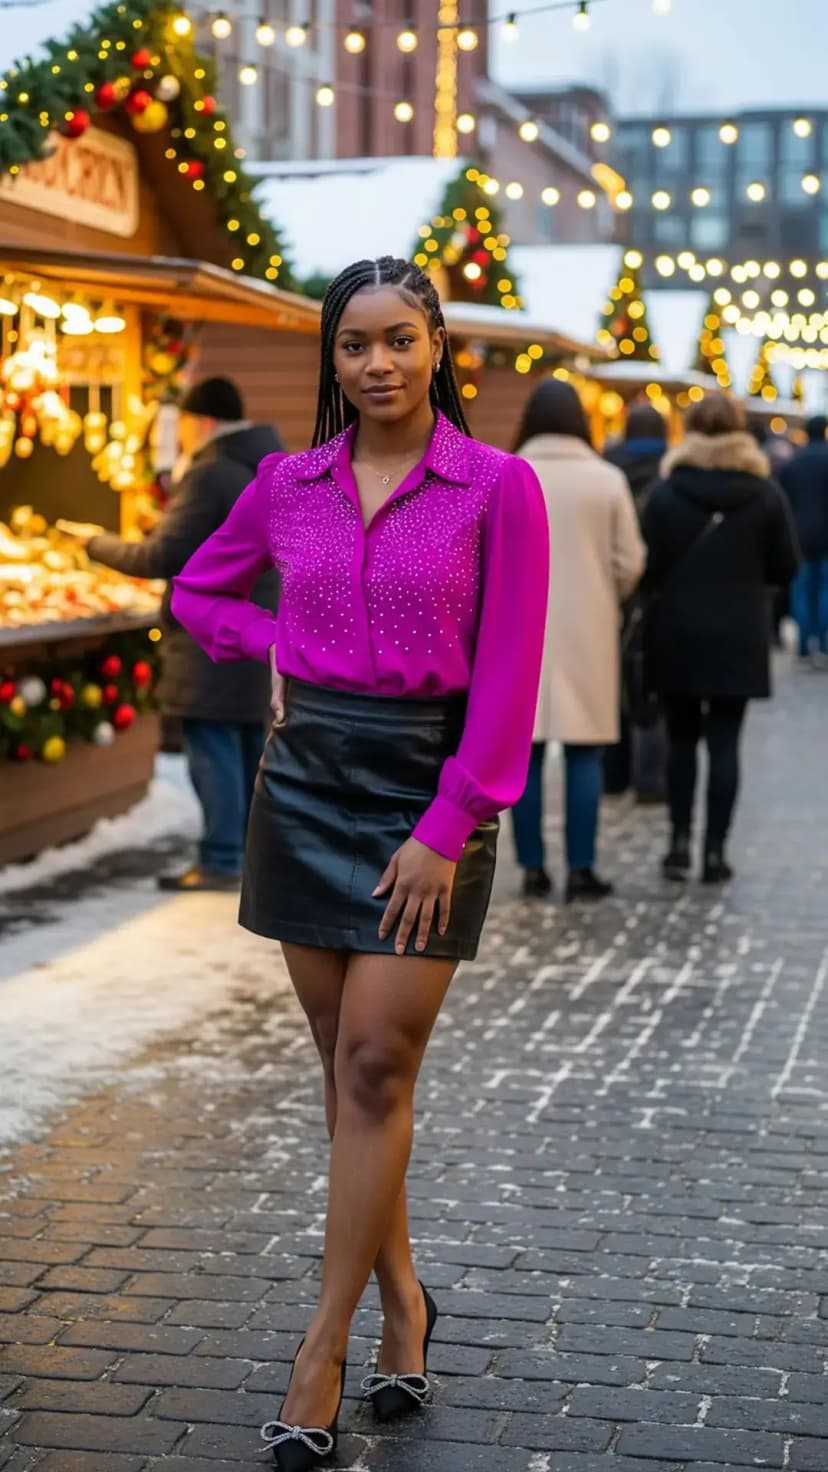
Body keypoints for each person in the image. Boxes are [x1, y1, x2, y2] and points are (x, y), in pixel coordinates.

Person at [169, 257, 548, 1470]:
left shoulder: (499, 488)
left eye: (398, 340)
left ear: (439, 346)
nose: (375, 363)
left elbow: (511, 668)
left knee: (379, 1059)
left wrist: (448, 824)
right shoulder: (287, 483)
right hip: (307, 781)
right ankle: (405, 1302)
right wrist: (272, 636)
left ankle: (319, 1345)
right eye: (353, 345)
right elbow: (197, 590)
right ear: (331, 359)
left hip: (430, 786)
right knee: (349, 1071)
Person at [57, 377, 283, 891]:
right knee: (245, 746)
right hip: (257, 630)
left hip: (212, 638)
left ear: (199, 421)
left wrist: (95, 545)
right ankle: (248, 857)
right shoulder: (264, 465)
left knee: (213, 746)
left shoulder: (211, 474)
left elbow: (164, 554)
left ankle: (222, 858)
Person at [642, 393, 799, 884]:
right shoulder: (764, 493)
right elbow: (785, 566)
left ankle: (679, 842)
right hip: (739, 632)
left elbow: (649, 565)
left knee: (682, 739)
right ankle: (715, 852)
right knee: (726, 743)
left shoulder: (666, 493)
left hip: (678, 630)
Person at [509, 379, 645, 903]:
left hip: (519, 632)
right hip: (589, 629)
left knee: (527, 755)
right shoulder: (606, 480)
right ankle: (583, 868)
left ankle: (532, 868)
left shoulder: (508, 474)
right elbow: (631, 561)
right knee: (586, 754)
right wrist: (603, 589)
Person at [605, 402, 669, 803]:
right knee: (649, 683)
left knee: (612, 683)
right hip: (655, 590)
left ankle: (614, 774)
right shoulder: (670, 469)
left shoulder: (609, 467)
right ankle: (650, 779)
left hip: (610, 589)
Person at [779, 414, 828, 664]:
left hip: (799, 536)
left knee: (802, 591)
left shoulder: (793, 462)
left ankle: (803, 645)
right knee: (824, 590)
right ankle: (824, 643)